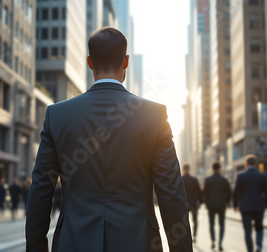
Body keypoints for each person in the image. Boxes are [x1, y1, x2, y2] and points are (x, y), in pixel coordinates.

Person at [25, 27, 192, 251]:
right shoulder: (155, 116)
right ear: (126, 62)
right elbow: (172, 195)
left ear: (89, 62)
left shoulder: (57, 115)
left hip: (74, 242)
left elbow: (40, 192)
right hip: (139, 242)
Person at [233, 155, 267, 252]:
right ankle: (258, 245)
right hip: (259, 206)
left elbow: (236, 192)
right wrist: (265, 203)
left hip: (245, 207)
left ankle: (250, 250)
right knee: (259, 227)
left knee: (247, 231)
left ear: (246, 164)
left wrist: (235, 205)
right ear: (255, 164)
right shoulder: (262, 176)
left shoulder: (241, 176)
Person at [203, 161, 231, 251]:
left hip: (211, 205)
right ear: (219, 169)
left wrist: (206, 204)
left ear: (212, 169)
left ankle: (213, 242)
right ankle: (220, 243)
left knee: (211, 224)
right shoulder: (224, 180)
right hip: (221, 204)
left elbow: (205, 194)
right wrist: (227, 202)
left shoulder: (208, 180)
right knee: (221, 224)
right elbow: (229, 193)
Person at [181, 164, 203, 243]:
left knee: (184, 221)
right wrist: (200, 202)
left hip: (183, 203)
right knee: (195, 221)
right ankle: (194, 236)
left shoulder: (180, 179)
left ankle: (187, 237)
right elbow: (200, 192)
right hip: (193, 203)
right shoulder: (194, 179)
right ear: (189, 169)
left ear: (183, 169)